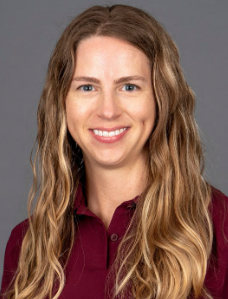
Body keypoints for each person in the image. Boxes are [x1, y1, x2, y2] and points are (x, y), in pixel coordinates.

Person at [1, 4, 228, 299]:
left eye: (130, 87)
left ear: (162, 98)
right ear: (62, 103)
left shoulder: (221, 229)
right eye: (86, 87)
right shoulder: (28, 245)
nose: (108, 111)